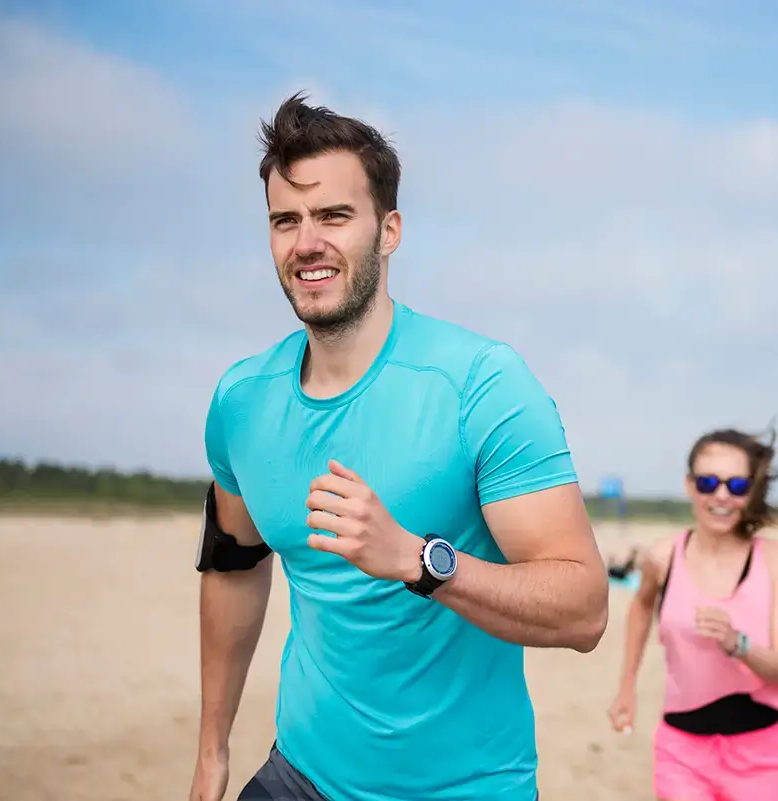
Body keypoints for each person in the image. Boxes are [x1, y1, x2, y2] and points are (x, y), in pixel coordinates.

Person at [187, 92, 610, 801]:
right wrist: (212, 750)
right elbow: (233, 563)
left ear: (389, 231)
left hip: (465, 786)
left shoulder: (481, 384)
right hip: (301, 774)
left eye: (333, 216)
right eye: (285, 220)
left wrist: (421, 561)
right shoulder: (242, 401)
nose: (306, 242)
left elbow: (585, 608)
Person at [607, 428, 778, 801]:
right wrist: (626, 688)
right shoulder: (663, 557)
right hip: (682, 754)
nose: (721, 495)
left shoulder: (775, 561)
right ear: (690, 485)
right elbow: (642, 605)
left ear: (750, 491)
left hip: (759, 755)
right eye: (708, 482)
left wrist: (738, 644)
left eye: (736, 485)